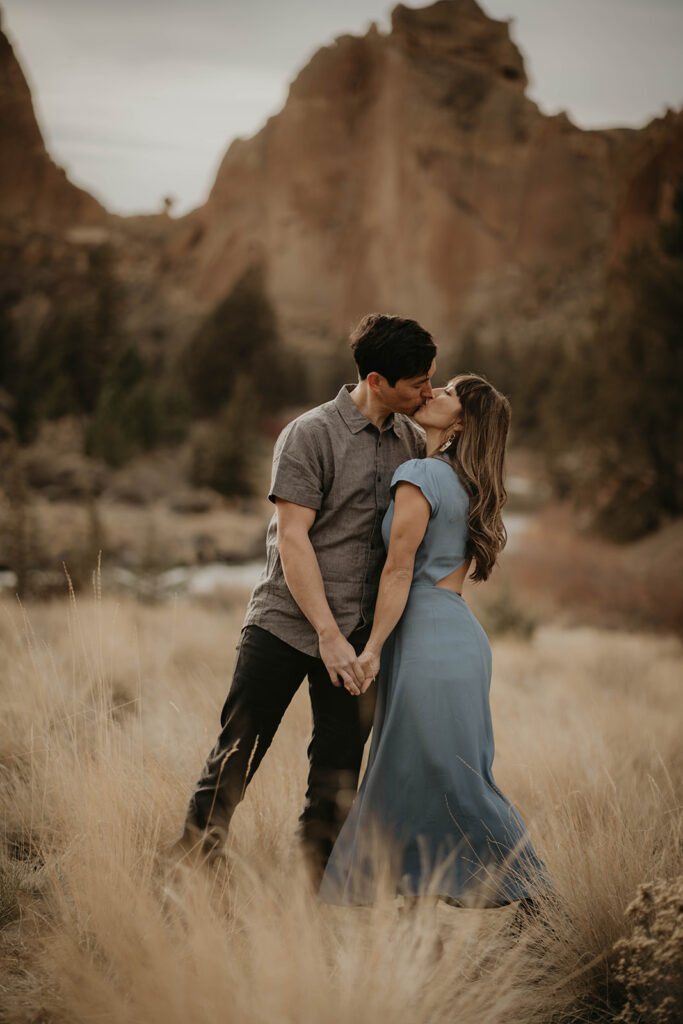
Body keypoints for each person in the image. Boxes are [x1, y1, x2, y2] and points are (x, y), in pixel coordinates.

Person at [176, 313, 437, 881]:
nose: (428, 390)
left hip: (360, 641)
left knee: (337, 777)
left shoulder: (414, 442)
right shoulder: (308, 434)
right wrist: (328, 634)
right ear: (375, 379)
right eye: (417, 380)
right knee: (235, 757)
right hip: (285, 626)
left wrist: (360, 643)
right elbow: (293, 541)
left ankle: (310, 896)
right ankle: (187, 877)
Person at [319, 373, 551, 908]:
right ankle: (404, 903)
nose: (433, 393)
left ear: (462, 421)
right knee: (430, 773)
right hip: (458, 636)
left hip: (424, 638)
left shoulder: (420, 474)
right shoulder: (473, 483)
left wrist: (372, 647)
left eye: (447, 393)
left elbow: (399, 571)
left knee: (440, 777)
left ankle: (536, 895)